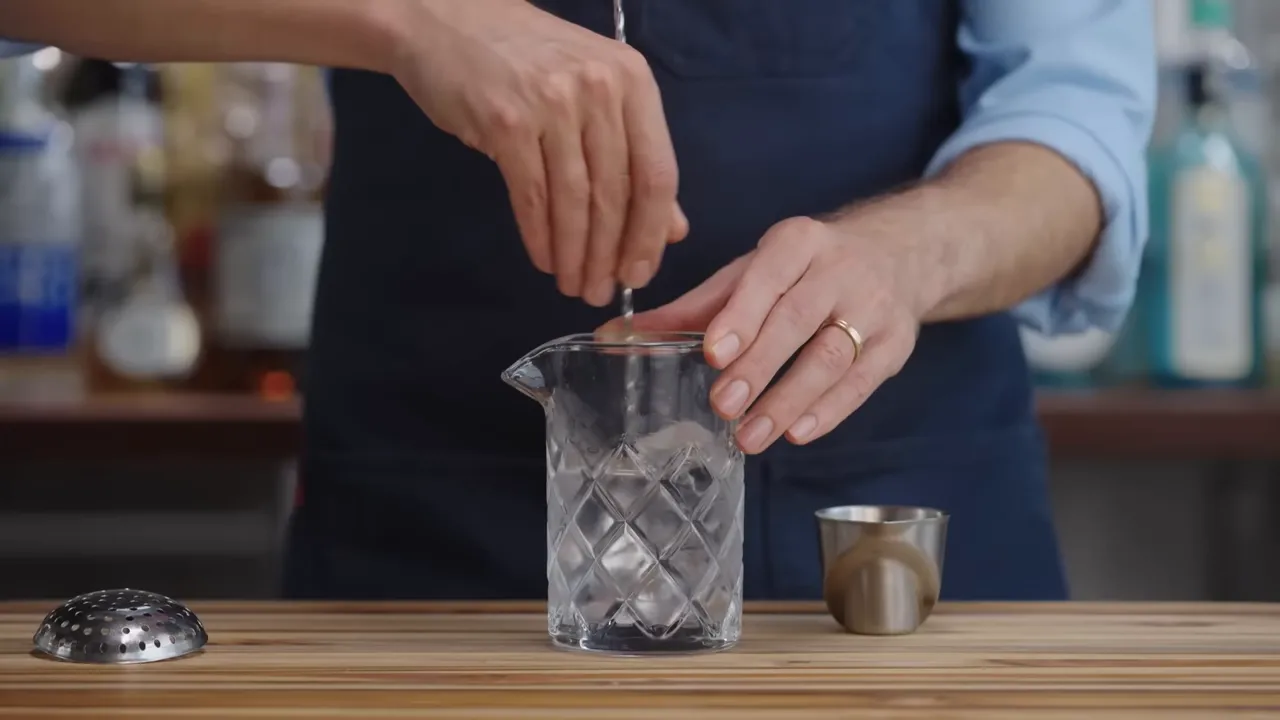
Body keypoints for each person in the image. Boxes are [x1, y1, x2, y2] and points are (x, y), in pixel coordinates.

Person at [1, 0, 1155, 601]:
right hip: (422, 546)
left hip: (894, 539)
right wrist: (404, 19)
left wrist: (908, 253)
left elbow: (1076, 125)